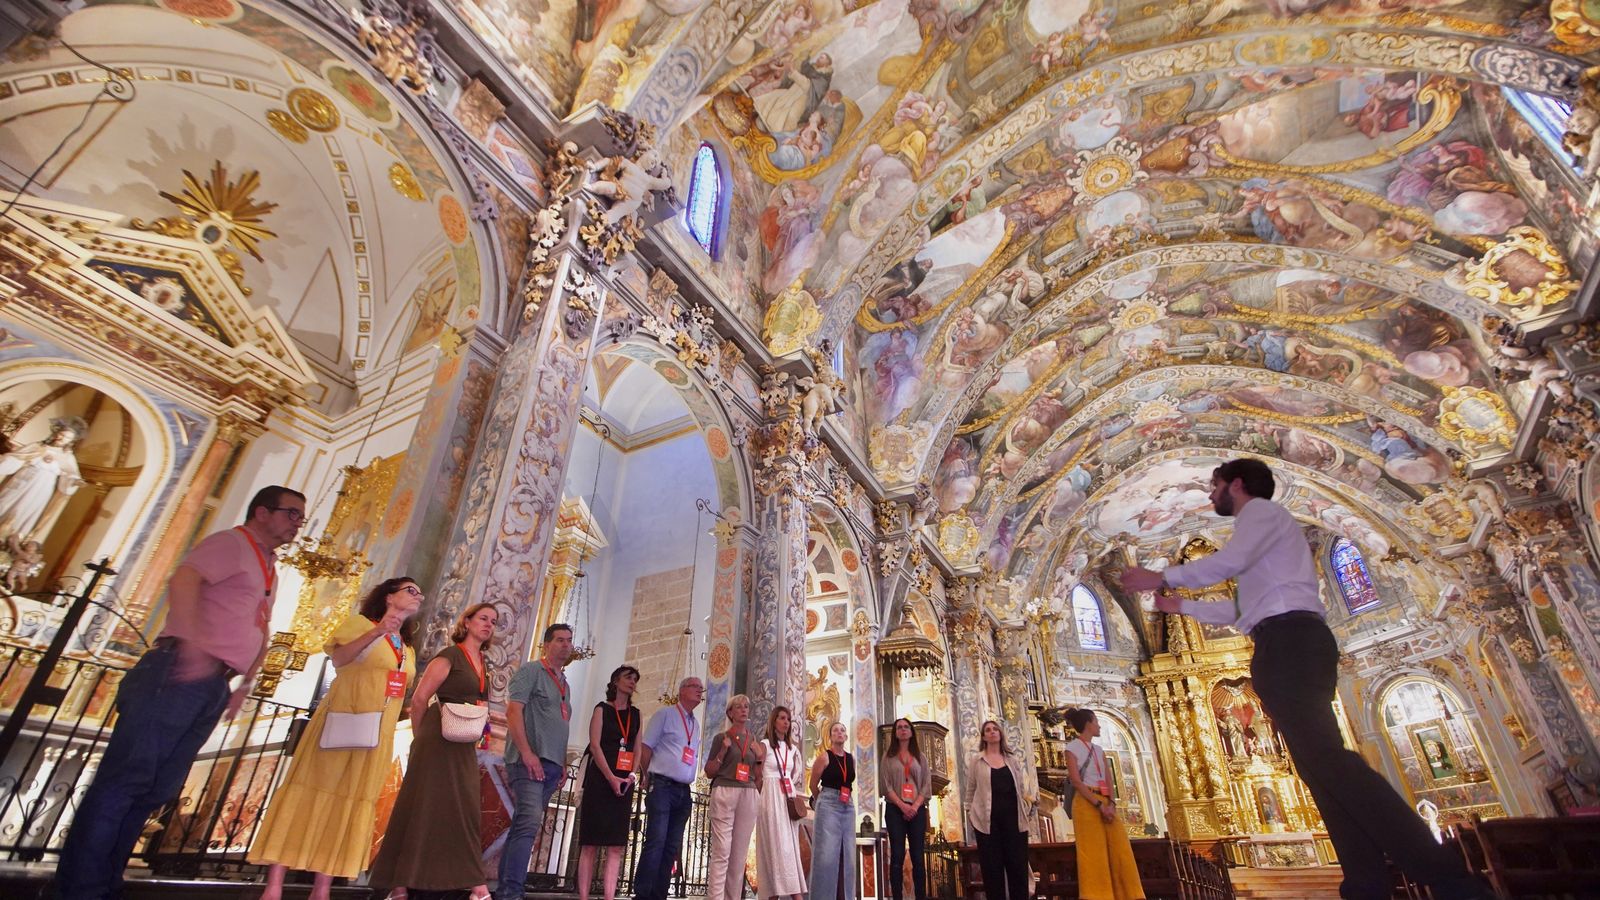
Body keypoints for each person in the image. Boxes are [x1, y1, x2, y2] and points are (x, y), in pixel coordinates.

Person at [1120, 458, 1491, 900]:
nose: (1210, 494)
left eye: (1215, 485)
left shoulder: (1260, 513)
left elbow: (1229, 563)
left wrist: (1161, 576)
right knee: (1321, 772)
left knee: (1331, 763)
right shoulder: (1268, 546)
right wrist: (1183, 609)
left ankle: (1451, 882)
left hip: (1290, 644)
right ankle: (1366, 885)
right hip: (1284, 640)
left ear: (1237, 484)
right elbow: (1244, 611)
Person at [54, 485, 304, 900]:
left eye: (300, 517)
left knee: (156, 789)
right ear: (262, 512)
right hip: (176, 672)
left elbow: (261, 625)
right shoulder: (230, 543)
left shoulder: (269, 566)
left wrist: (244, 682)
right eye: (291, 513)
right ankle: (79, 889)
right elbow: (185, 578)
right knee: (126, 781)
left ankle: (106, 886)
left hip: (213, 683)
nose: (297, 523)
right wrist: (190, 645)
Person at [249, 576, 424, 900]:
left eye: (420, 593)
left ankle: (322, 888)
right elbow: (340, 660)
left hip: (376, 733)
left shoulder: (408, 647)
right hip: (344, 718)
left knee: (348, 802)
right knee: (311, 791)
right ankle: (274, 884)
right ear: (388, 596)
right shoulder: (361, 623)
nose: (419, 596)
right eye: (411, 590)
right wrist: (377, 631)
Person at [368, 603, 499, 900]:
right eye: (483, 618)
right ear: (466, 622)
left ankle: (468, 881)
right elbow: (420, 699)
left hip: (463, 742)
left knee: (465, 808)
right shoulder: (450, 656)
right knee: (420, 806)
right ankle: (399, 883)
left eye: (493, 621)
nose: (489, 624)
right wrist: (420, 739)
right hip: (436, 739)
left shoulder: (485, 664)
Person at [496, 623, 576, 900]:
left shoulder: (564, 683)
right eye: (560, 640)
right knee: (528, 823)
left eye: (569, 641)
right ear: (546, 644)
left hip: (552, 765)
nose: (566, 645)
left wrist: (563, 762)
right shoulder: (532, 671)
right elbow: (513, 711)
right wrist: (527, 753)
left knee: (525, 824)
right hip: (528, 760)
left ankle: (507, 888)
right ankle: (510, 892)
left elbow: (561, 723)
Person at [632, 676, 705, 900]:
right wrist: (646, 776)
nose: (700, 691)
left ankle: (659, 894)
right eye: (695, 687)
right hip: (662, 786)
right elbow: (646, 748)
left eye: (701, 689)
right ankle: (643, 893)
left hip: (684, 791)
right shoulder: (665, 715)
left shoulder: (695, 723)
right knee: (656, 840)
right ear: (682, 690)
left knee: (672, 845)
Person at [1061, 708, 1143, 900]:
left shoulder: (1098, 750)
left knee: (1120, 848)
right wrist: (1098, 805)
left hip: (1106, 802)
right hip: (1086, 803)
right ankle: (1097, 895)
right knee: (1092, 852)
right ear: (1088, 723)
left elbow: (1108, 777)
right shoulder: (1072, 748)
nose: (1098, 725)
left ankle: (1128, 894)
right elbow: (1076, 781)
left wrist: (1112, 803)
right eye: (1096, 721)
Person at [576, 665, 642, 900]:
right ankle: (583, 896)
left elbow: (636, 747)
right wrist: (610, 777)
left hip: (624, 782)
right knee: (590, 842)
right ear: (615, 681)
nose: (632, 682)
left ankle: (609, 897)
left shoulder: (636, 714)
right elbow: (595, 745)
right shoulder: (601, 709)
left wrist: (631, 776)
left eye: (635, 679)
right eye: (628, 678)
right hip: (601, 780)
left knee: (616, 844)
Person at [705, 694, 765, 900]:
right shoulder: (721, 738)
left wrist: (759, 759)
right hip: (725, 790)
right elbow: (709, 771)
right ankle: (715, 897)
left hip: (748, 792)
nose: (743, 710)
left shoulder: (753, 740)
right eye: (738, 707)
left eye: (746, 706)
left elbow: (758, 776)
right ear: (730, 712)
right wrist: (723, 749)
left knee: (739, 856)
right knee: (722, 851)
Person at [963, 720, 1032, 900]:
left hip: (1013, 820)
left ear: (1000, 734)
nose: (992, 732)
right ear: (984, 737)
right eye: (988, 730)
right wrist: (970, 813)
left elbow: (1021, 787)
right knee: (992, 869)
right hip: (987, 822)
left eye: (995, 729)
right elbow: (970, 790)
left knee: (1017, 867)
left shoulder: (1012, 760)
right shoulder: (977, 761)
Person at [0, 416, 85, 543]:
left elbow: (70, 477)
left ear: (71, 441)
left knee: (23, 511)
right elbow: (16, 458)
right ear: (56, 433)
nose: (62, 438)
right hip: (22, 480)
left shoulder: (67, 457)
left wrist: (74, 482)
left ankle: (7, 540)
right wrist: (6, 460)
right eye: (62, 434)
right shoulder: (37, 446)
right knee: (5, 503)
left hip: (41, 488)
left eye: (67, 437)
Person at [755, 705, 806, 900]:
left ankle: (789, 893)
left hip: (787, 796)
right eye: (782, 718)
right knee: (775, 846)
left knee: (789, 847)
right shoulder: (765, 745)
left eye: (788, 719)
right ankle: (786, 895)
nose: (786, 722)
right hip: (770, 795)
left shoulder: (793, 749)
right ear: (773, 721)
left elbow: (794, 775)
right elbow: (757, 775)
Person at [880, 718, 931, 900]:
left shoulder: (920, 757)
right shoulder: (888, 757)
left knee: (918, 858)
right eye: (899, 727)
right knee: (897, 857)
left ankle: (921, 897)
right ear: (895, 732)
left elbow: (926, 785)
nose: (902, 730)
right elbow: (886, 786)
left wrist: (915, 806)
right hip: (895, 809)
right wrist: (902, 806)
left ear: (911, 732)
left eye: (906, 727)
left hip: (917, 810)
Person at [807, 720, 856, 900]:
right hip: (828, 802)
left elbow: (849, 782)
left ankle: (846, 896)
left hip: (847, 805)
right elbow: (813, 785)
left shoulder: (851, 759)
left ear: (846, 736)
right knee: (826, 856)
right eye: (835, 730)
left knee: (848, 855)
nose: (839, 733)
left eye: (842, 730)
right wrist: (823, 802)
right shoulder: (824, 757)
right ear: (830, 737)